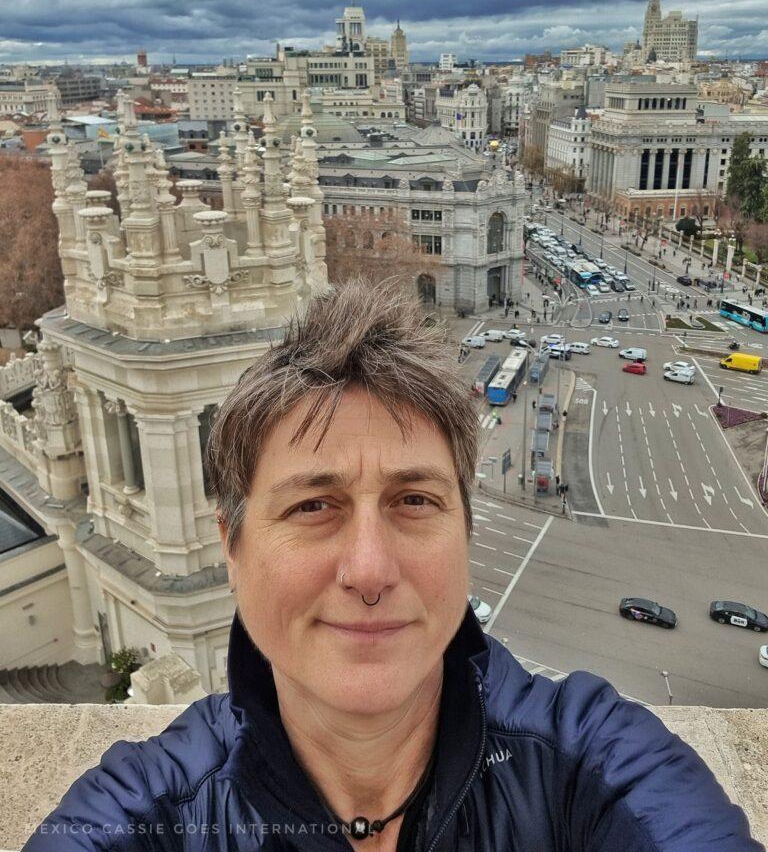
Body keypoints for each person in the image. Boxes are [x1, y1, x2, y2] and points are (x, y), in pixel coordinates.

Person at [23, 281, 762, 851]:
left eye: (414, 500)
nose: (370, 570)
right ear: (232, 546)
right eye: (313, 506)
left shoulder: (595, 761)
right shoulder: (145, 811)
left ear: (465, 532)